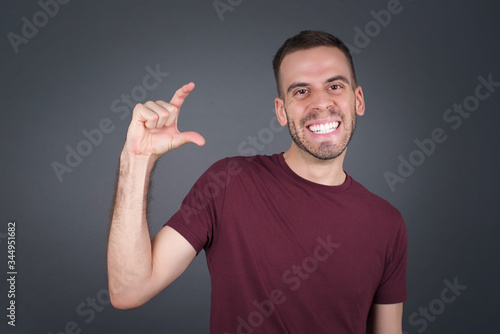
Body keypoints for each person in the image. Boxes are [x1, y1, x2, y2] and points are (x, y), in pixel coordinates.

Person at [107, 30, 407, 334]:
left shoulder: (387, 222)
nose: (321, 103)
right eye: (301, 91)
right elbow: (128, 290)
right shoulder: (226, 184)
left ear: (358, 100)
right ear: (281, 111)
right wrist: (136, 159)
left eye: (335, 85)